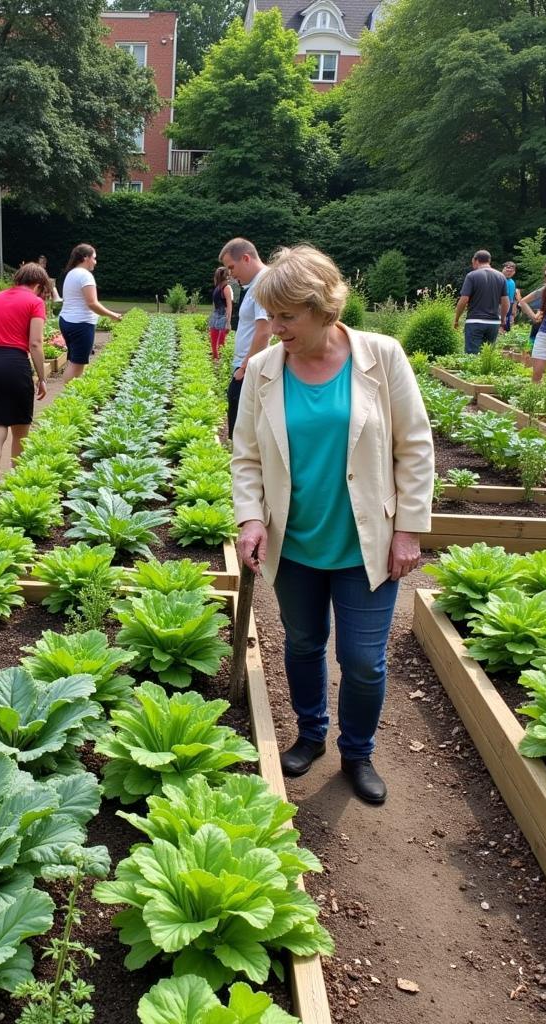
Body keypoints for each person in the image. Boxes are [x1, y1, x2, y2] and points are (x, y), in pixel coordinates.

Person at [232, 244, 434, 805]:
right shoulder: (264, 371)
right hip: (294, 542)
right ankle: (311, 733)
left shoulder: (382, 357)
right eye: (269, 316)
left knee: (364, 662)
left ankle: (358, 752)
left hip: (366, 544)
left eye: (286, 317)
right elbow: (246, 454)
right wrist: (250, 518)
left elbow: (414, 448)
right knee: (302, 643)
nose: (274, 329)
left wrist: (410, 529)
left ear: (324, 309)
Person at [0, 262, 51, 510]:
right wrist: (42, 377)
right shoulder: (35, 302)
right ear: (39, 285)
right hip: (13, 364)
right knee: (20, 430)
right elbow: (36, 343)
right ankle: (16, 485)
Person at [219, 237, 271, 433]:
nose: (231, 275)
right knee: (241, 429)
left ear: (246, 258)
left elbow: (264, 331)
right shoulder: (254, 286)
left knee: (243, 432)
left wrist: (243, 368)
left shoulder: (263, 285)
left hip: (251, 369)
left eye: (232, 267)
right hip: (247, 366)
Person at [59, 244, 122, 381]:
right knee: (77, 365)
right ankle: (71, 398)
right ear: (85, 258)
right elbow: (92, 303)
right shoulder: (85, 276)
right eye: (94, 258)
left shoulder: (72, 273)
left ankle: (74, 396)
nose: (95, 261)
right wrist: (112, 315)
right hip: (80, 324)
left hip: (67, 321)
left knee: (74, 361)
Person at [454, 250, 509, 354]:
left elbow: (464, 299)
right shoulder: (501, 277)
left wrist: (456, 319)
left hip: (475, 321)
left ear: (475, 260)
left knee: (472, 355)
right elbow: (505, 301)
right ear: (489, 261)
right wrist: (503, 319)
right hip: (493, 322)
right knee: (487, 357)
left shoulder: (472, 276)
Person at [208, 266, 234, 360]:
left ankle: (217, 363)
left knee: (217, 343)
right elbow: (225, 306)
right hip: (219, 316)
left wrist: (227, 322)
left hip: (219, 317)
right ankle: (217, 362)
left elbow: (226, 306)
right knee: (217, 342)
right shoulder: (222, 288)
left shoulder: (222, 288)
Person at [501, 261, 521, 333]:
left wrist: (514, 308)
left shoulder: (512, 281)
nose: (508, 272)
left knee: (507, 327)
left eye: (511, 271)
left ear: (514, 272)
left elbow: (513, 297)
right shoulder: (499, 279)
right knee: (501, 325)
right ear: (503, 269)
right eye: (507, 270)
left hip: (510, 305)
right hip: (500, 305)